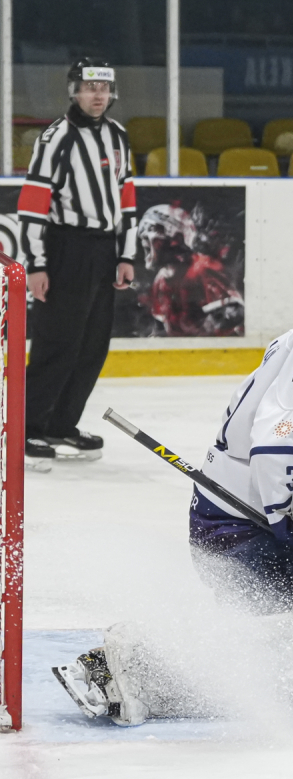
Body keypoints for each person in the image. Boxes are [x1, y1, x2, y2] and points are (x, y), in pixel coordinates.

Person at [52, 253, 293, 725]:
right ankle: (139, 661)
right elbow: (285, 450)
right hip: (252, 527)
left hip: (251, 524)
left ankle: (149, 662)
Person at [18, 57, 136, 470]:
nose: (98, 95)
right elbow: (33, 204)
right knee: (57, 343)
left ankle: (60, 424)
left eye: (104, 88)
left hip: (103, 251)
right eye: (90, 87)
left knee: (91, 347)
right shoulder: (56, 138)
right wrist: (36, 264)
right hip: (65, 248)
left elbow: (126, 196)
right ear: (75, 91)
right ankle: (26, 427)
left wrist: (125, 254)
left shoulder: (118, 135)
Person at [136, 203, 245, 337]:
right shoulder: (161, 279)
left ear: (176, 238)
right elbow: (166, 326)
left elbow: (235, 315)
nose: (144, 241)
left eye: (154, 230)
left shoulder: (204, 269)